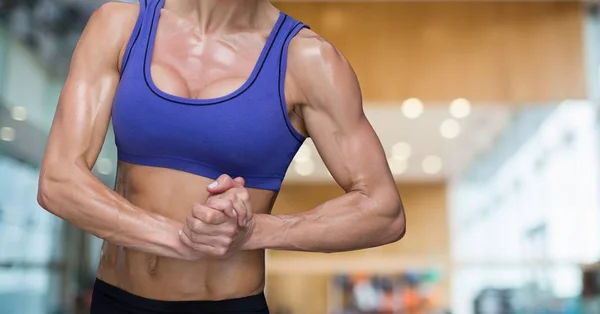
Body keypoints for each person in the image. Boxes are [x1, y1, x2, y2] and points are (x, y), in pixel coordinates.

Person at [37, 0, 406, 313]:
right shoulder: (120, 25)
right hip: (115, 300)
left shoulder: (309, 60)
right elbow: (58, 181)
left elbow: (383, 211)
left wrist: (253, 231)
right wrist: (182, 237)